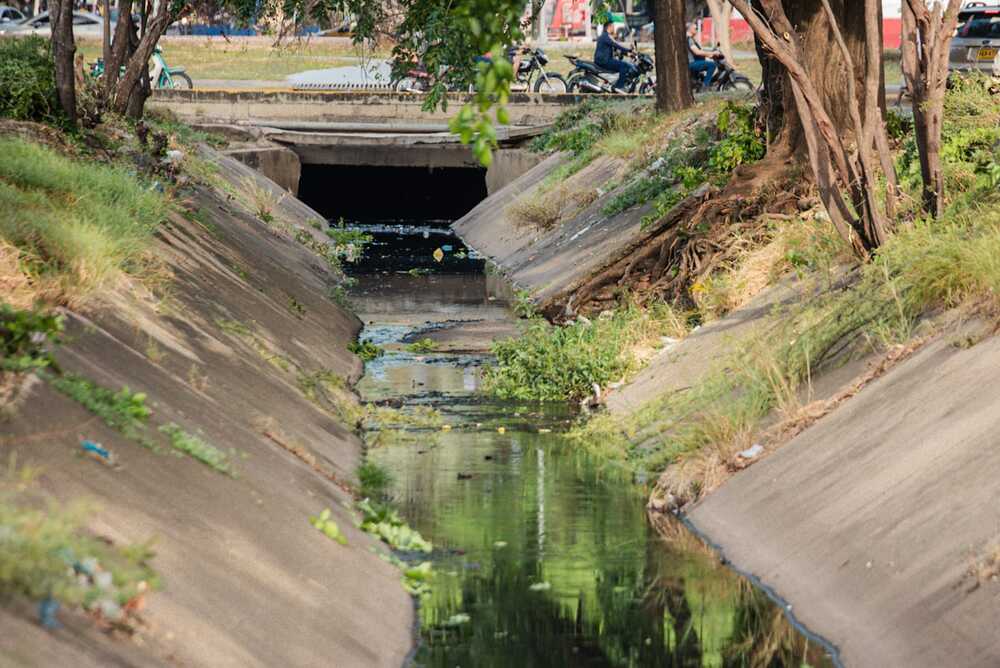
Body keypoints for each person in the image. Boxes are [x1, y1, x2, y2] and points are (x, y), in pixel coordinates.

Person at [594, 18, 636, 93]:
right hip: (604, 61)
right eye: (613, 27)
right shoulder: (605, 36)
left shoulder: (606, 36)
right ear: (609, 27)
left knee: (622, 64)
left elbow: (616, 49)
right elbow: (616, 45)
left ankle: (616, 84)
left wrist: (627, 54)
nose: (614, 28)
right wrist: (628, 50)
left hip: (605, 59)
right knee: (624, 65)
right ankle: (619, 87)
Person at [686, 22, 719, 91]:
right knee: (712, 65)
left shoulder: (690, 39)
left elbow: (699, 51)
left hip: (692, 62)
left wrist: (709, 53)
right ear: (690, 29)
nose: (697, 29)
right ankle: (705, 86)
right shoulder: (689, 39)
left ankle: (701, 83)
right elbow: (697, 52)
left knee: (706, 63)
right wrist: (712, 53)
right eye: (695, 28)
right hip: (691, 63)